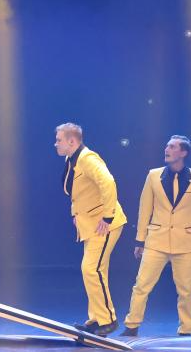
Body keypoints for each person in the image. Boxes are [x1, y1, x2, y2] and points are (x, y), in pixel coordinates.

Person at [120, 135, 191, 337]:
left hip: (185, 242)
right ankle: (131, 326)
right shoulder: (153, 176)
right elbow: (144, 210)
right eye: (166, 146)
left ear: (183, 152)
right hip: (156, 240)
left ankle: (186, 329)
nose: (167, 149)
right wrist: (140, 240)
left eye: (172, 147)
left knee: (186, 290)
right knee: (141, 285)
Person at [55, 122, 126, 337]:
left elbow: (108, 182)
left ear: (72, 141)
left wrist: (108, 215)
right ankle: (97, 319)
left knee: (91, 269)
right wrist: (76, 215)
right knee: (94, 270)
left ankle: (108, 320)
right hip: (92, 225)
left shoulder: (88, 158)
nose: (56, 144)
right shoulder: (72, 159)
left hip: (105, 224)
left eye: (59, 140)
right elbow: (79, 193)